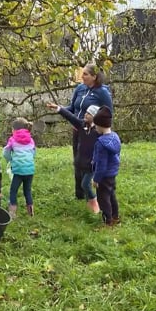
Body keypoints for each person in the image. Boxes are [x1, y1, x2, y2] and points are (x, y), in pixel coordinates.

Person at [47, 63, 112, 201]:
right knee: (78, 161)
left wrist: (103, 131)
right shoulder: (80, 89)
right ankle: (80, 194)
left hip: (93, 133)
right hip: (78, 130)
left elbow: (108, 113)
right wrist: (59, 109)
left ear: (94, 76)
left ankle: (97, 191)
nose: (82, 76)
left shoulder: (102, 92)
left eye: (85, 74)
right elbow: (72, 108)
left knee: (90, 162)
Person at [47, 103, 101, 213]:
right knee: (84, 185)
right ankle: (90, 207)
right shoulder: (82, 125)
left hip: (91, 164)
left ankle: (95, 203)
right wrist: (59, 109)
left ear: (94, 116)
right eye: (85, 112)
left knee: (85, 184)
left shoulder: (99, 131)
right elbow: (70, 117)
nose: (85, 114)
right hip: (80, 162)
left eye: (89, 113)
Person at [91, 106, 121, 226]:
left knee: (103, 199)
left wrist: (96, 179)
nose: (95, 127)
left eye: (96, 125)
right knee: (112, 195)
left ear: (100, 125)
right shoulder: (115, 137)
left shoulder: (101, 143)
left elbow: (101, 165)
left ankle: (107, 221)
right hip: (112, 174)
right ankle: (115, 217)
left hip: (103, 176)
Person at [3, 117, 36, 217]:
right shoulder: (30, 140)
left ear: (14, 130)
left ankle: (12, 213)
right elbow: (34, 153)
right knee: (27, 190)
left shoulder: (12, 140)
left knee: (13, 190)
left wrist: (10, 160)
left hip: (18, 170)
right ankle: (31, 212)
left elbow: (6, 153)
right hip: (30, 170)